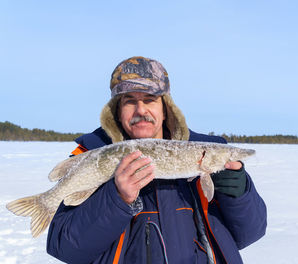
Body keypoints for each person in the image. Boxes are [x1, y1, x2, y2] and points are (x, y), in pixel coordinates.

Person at [47, 56, 267, 264]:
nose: (141, 110)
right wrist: (116, 199)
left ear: (165, 110)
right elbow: (64, 247)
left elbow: (250, 234)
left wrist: (238, 195)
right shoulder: (94, 153)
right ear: (117, 111)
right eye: (130, 101)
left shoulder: (204, 150)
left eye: (150, 100)